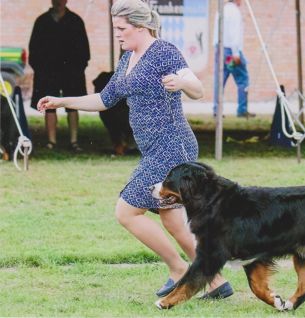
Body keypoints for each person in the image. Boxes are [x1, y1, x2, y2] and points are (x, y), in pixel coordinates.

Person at [37, 0, 233, 302]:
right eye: (116, 28)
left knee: (127, 211)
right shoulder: (128, 57)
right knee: (171, 220)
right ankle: (216, 281)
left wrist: (182, 82)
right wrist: (62, 102)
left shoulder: (164, 52)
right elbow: (105, 99)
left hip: (171, 146)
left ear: (140, 27)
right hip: (155, 148)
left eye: (122, 28)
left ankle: (180, 269)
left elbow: (198, 89)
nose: (117, 33)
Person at [29, 0, 90, 151]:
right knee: (49, 105)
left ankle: (74, 141)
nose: (59, 2)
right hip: (47, 71)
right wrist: (39, 68)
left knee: (73, 105)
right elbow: (34, 48)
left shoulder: (75, 21)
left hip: (71, 71)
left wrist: (78, 68)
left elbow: (84, 49)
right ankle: (51, 141)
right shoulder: (42, 21)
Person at [213, 0, 255, 118]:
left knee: (220, 81)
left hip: (219, 50)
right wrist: (236, 53)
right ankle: (242, 110)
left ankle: (217, 110)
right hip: (231, 52)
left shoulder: (221, 10)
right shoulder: (235, 12)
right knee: (243, 79)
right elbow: (234, 34)